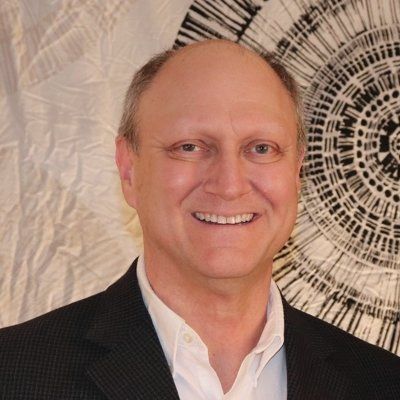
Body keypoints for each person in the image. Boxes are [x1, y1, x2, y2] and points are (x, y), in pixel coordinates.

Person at [0, 39, 399, 400]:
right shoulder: (13, 374)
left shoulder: (384, 384)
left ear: (297, 171)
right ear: (128, 170)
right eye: (189, 147)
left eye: (261, 148)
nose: (229, 185)